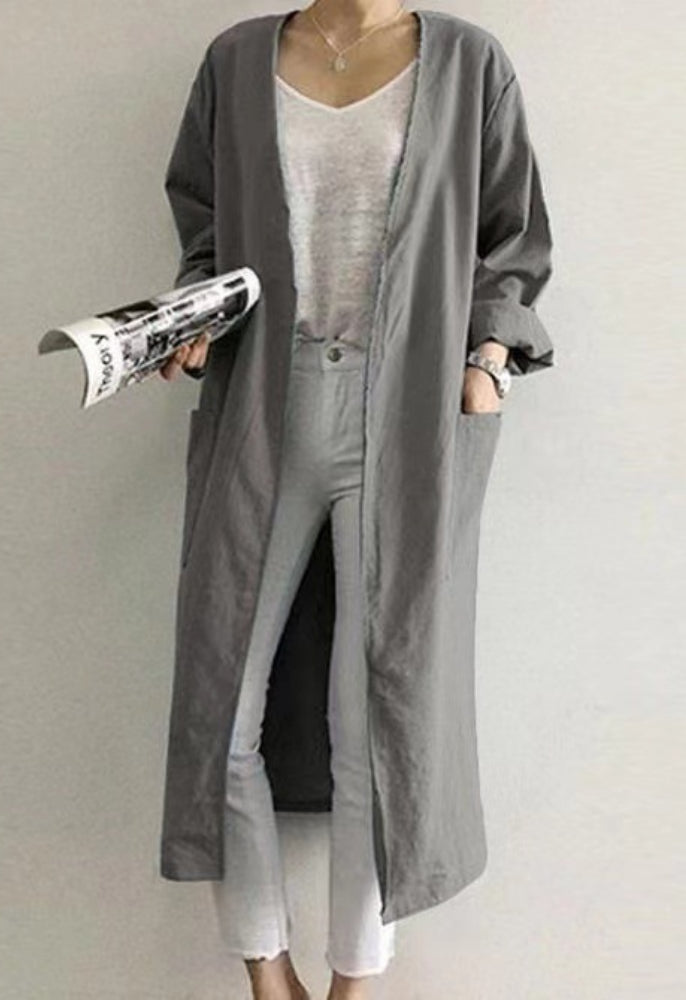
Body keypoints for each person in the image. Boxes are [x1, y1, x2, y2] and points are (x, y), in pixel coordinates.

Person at [159, 3, 553, 999]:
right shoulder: (236, 60)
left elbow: (511, 234)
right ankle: (267, 972)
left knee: (375, 716)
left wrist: (489, 358)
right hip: (264, 400)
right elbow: (204, 222)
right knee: (220, 704)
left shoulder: (469, 64)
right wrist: (189, 320)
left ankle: (353, 984)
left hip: (408, 410)